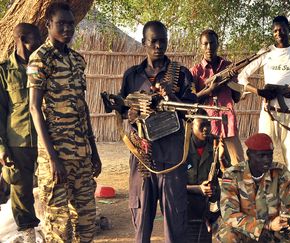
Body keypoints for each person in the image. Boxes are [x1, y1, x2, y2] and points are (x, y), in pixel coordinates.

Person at [27, 2, 102, 242]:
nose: (68, 28)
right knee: (59, 227)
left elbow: (83, 108)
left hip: (81, 155)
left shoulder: (77, 61)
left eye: (71, 24)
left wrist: (94, 151)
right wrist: (52, 158)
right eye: (62, 24)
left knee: (87, 222)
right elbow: (34, 108)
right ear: (49, 25)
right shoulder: (39, 59)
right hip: (55, 158)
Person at [119, 20, 197, 243]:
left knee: (174, 215)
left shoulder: (180, 74)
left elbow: (192, 108)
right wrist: (132, 112)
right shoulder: (132, 75)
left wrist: (170, 97)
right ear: (144, 42)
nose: (158, 46)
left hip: (172, 152)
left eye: (163, 41)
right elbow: (124, 108)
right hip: (142, 153)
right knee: (141, 213)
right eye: (153, 41)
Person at [237, 15, 290, 191]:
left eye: (282, 29)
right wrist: (259, 91)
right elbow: (242, 76)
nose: (279, 33)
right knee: (261, 157)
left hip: (289, 115)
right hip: (268, 113)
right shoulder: (266, 53)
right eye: (275, 30)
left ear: (289, 29)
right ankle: (262, 196)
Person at [217, 133, 290, 242]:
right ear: (249, 155)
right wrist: (266, 225)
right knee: (228, 236)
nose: (267, 160)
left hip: (273, 231)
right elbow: (230, 215)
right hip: (243, 232)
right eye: (261, 155)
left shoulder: (280, 172)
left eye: (270, 155)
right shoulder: (233, 175)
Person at [0, 23, 42, 242]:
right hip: (18, 140)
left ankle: (55, 229)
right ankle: (28, 235)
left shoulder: (44, 67)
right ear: (23, 39)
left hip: (46, 140)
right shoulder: (4, 71)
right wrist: (1, 147)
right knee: (20, 188)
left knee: (53, 186)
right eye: (36, 39)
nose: (40, 44)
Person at [190, 29, 244, 165]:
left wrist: (231, 78)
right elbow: (191, 100)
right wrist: (210, 90)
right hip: (207, 127)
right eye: (205, 44)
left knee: (239, 165)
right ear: (200, 46)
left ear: (218, 44)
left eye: (212, 43)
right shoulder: (195, 71)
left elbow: (236, 98)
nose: (209, 47)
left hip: (228, 124)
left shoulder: (228, 66)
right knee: (210, 167)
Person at [185, 109, 230, 241]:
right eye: (201, 125)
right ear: (191, 125)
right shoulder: (183, 147)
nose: (205, 128)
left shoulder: (216, 144)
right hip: (187, 206)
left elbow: (229, 175)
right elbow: (173, 184)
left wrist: (221, 158)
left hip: (209, 208)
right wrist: (198, 188)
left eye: (208, 124)